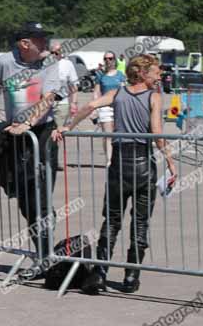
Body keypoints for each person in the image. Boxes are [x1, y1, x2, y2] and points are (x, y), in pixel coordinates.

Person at [53, 54, 176, 294]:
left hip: (119, 164)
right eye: (155, 72)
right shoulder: (154, 97)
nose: (159, 76)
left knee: (111, 221)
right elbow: (157, 133)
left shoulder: (117, 94)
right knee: (140, 223)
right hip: (142, 164)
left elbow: (90, 106)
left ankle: (100, 273)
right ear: (141, 73)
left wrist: (68, 126)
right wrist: (171, 163)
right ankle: (131, 276)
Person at [0, 22, 62, 266]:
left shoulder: (50, 62)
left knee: (41, 196)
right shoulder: (4, 62)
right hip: (17, 136)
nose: (45, 43)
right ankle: (44, 252)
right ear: (24, 43)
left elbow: (50, 98)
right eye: (40, 39)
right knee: (26, 199)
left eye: (45, 38)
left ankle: (45, 254)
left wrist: (29, 123)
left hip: (42, 133)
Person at [94, 51, 127, 166]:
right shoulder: (100, 75)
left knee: (118, 135)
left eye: (110, 58)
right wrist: (95, 108)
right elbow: (97, 92)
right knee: (107, 135)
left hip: (118, 107)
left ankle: (118, 158)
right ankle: (109, 160)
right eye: (106, 59)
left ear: (115, 60)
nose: (108, 61)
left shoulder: (120, 75)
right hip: (104, 108)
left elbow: (125, 91)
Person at [49, 41, 79, 129]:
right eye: (52, 52)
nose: (55, 54)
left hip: (61, 103)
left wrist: (74, 103)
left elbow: (74, 86)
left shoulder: (67, 64)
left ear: (61, 52)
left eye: (57, 52)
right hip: (46, 104)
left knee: (59, 131)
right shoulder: (45, 65)